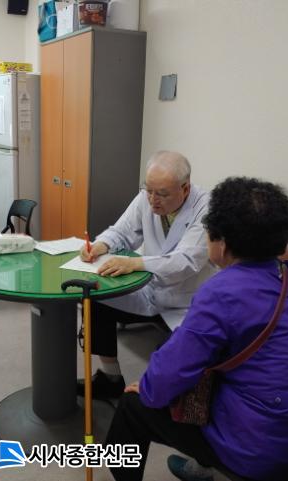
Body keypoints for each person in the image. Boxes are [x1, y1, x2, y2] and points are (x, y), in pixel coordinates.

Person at [104, 177, 288, 481]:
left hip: (261, 452)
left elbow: (166, 378)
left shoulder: (222, 292)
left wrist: (148, 387)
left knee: (133, 405)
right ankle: (202, 469)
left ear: (221, 243)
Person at [78, 151, 216, 399]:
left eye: (161, 194)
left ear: (185, 188)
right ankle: (110, 378)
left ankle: (153, 397)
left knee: (173, 359)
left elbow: (186, 261)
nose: (152, 199)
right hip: (150, 291)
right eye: (148, 190)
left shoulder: (206, 208)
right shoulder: (147, 197)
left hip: (187, 304)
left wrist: (135, 263)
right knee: (96, 299)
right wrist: (100, 246)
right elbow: (122, 231)